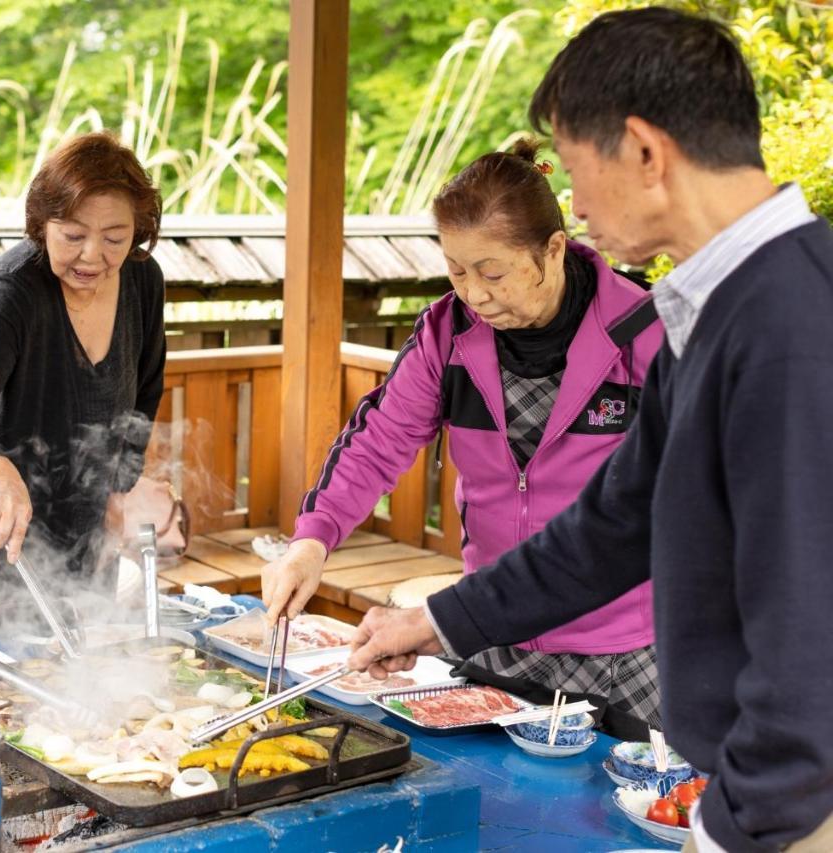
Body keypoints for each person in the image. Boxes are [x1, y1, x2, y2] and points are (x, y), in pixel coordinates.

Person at [344, 9, 833, 853]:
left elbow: (810, 634)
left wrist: (728, 830)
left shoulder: (788, 323)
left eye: (574, 167)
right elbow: (613, 527)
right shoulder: (708, 310)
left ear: (644, 152)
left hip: (783, 814)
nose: (568, 202)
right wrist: (439, 621)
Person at [262, 139, 663, 736]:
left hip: (622, 651)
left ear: (553, 249)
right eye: (456, 270)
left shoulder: (645, 334)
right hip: (490, 632)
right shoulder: (446, 334)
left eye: (492, 271)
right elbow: (378, 441)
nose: (473, 294)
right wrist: (311, 542)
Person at [0, 132, 166, 622]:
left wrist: (118, 487)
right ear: (41, 225)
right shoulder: (11, 292)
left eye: (114, 238)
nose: (92, 256)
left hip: (73, 496)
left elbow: (147, 391)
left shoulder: (142, 281)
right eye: (72, 236)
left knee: (73, 646)